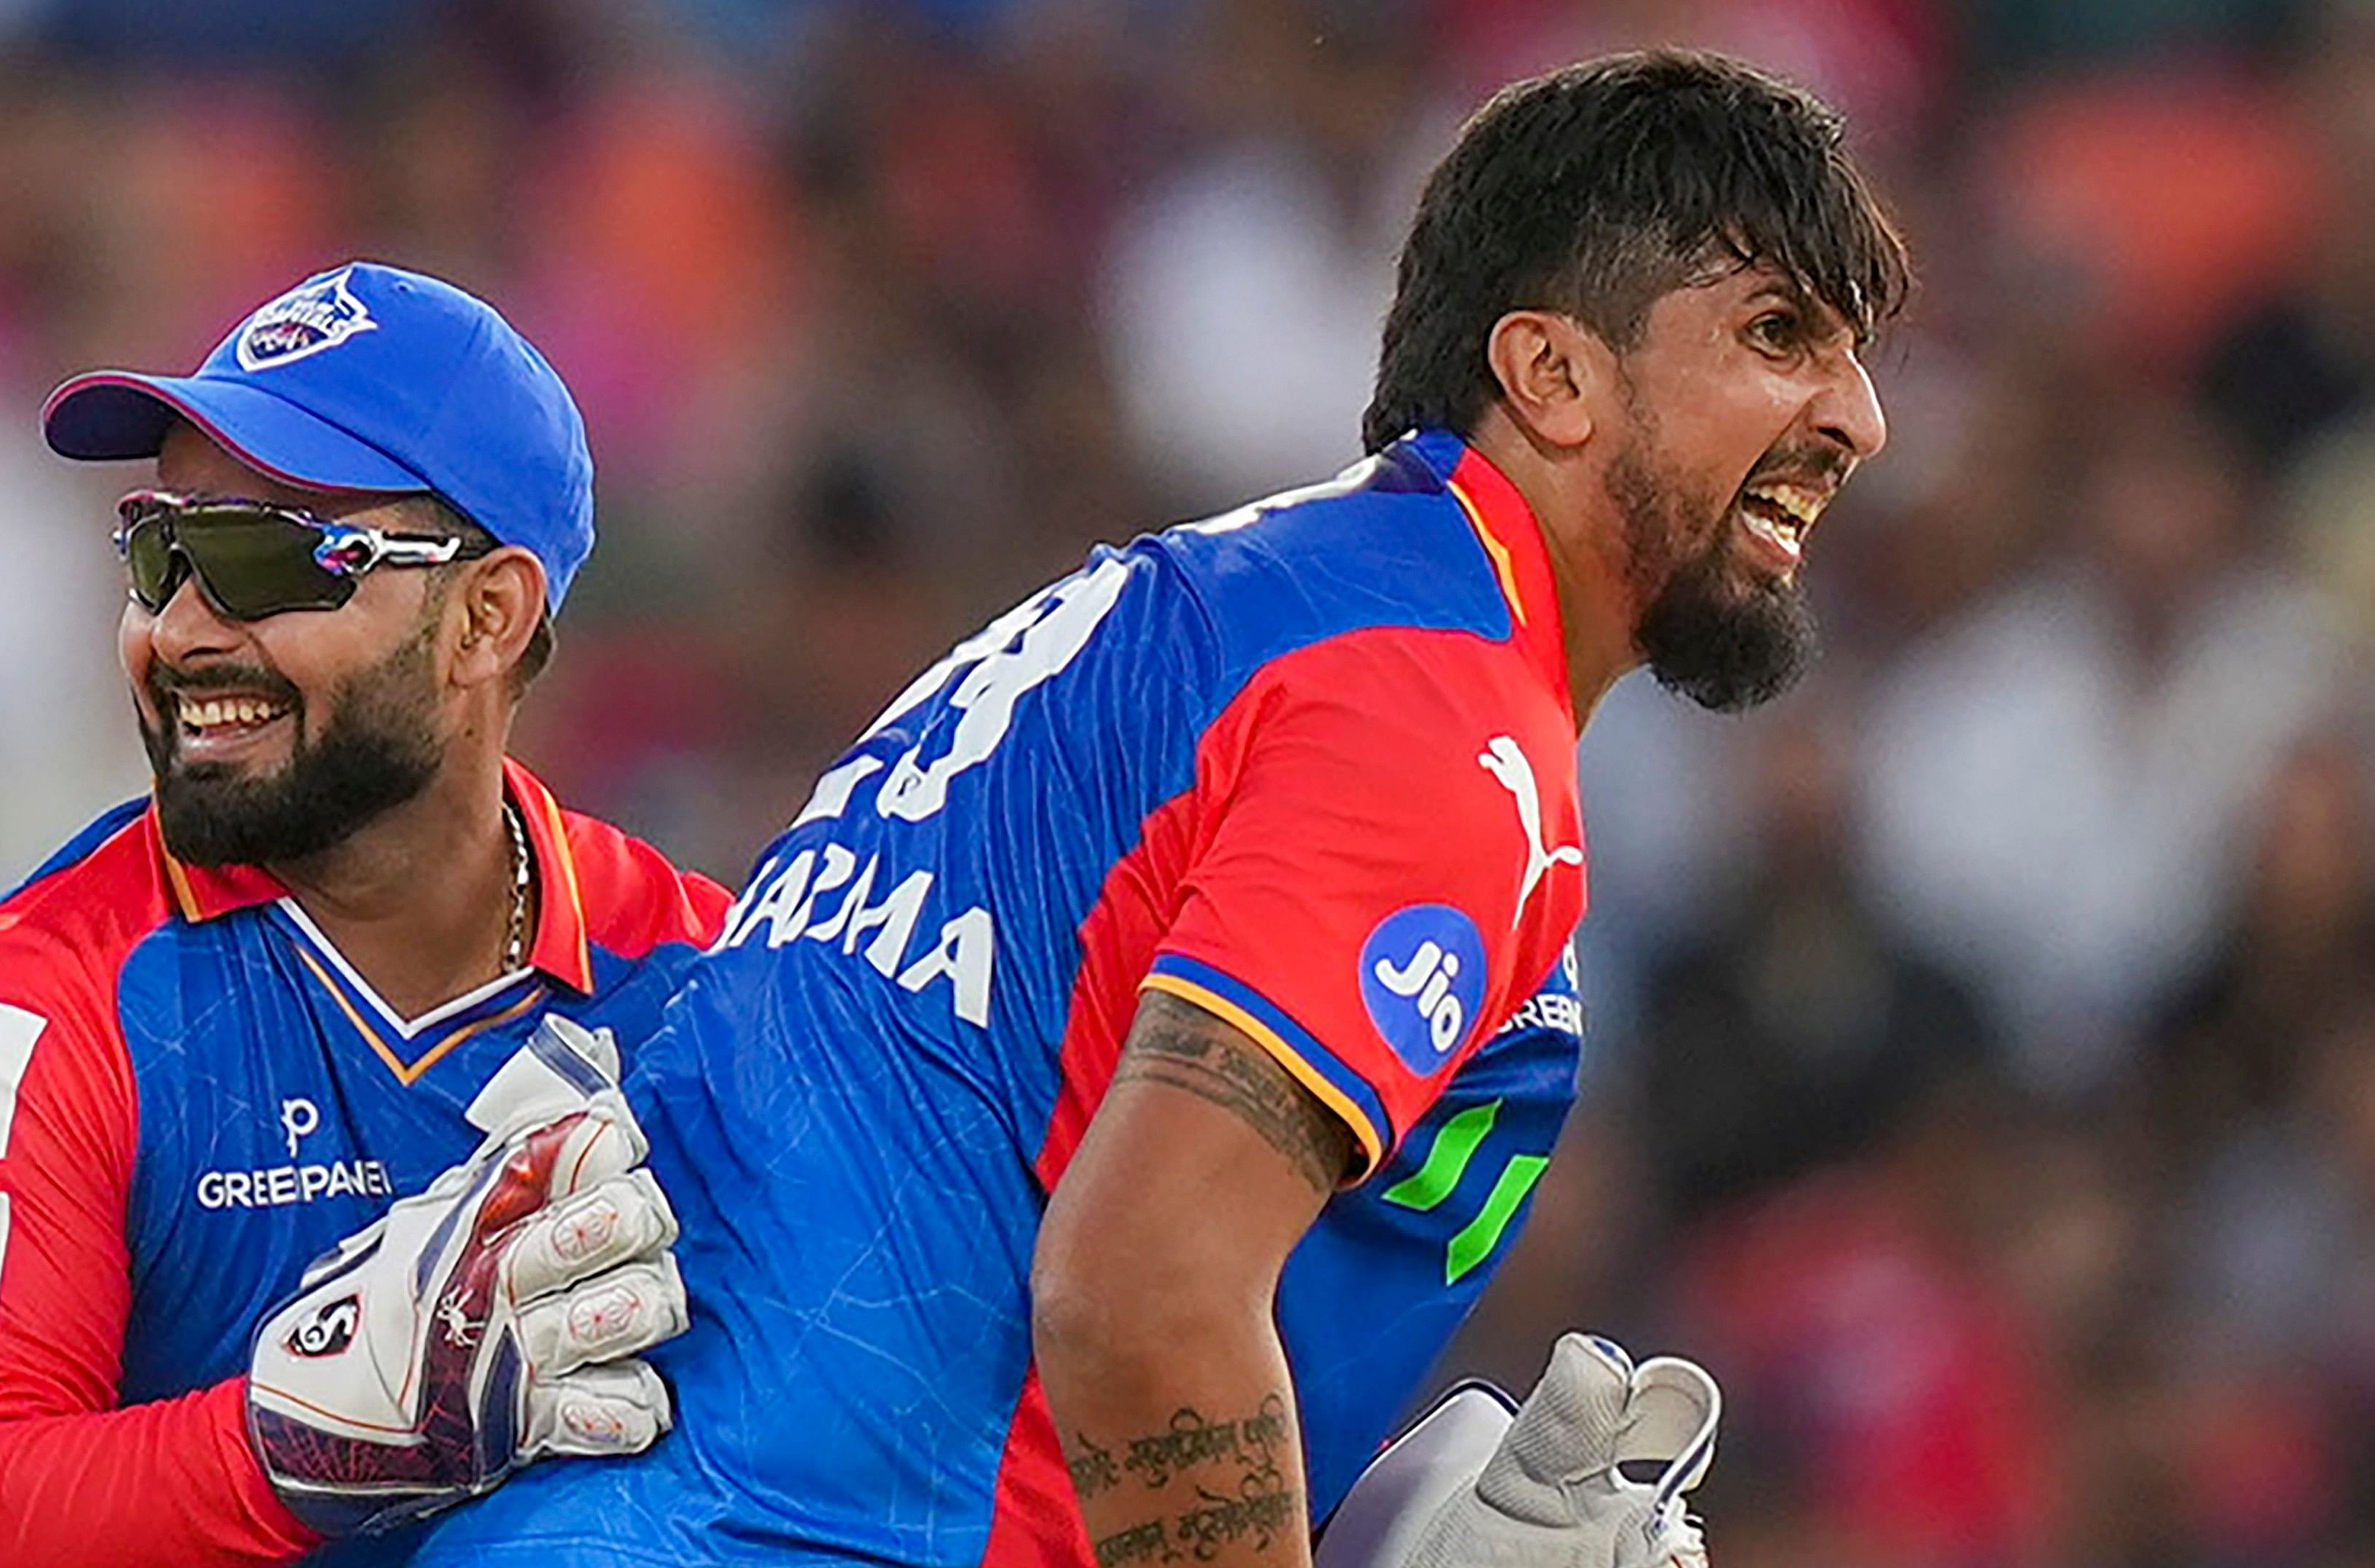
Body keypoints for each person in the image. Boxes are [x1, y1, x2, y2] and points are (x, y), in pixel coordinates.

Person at [401, 48, 1908, 1567]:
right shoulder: (1436, 712)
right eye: (1779, 334)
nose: (1859, 418)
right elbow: (1144, 1288)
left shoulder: (1210, 611)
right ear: (1555, 376)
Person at [0, 262, 729, 1568]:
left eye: (265, 558)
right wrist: (306, 1439)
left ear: (486, 615)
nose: (177, 630)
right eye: (161, 550)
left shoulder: (705, 975)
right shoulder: (32, 990)